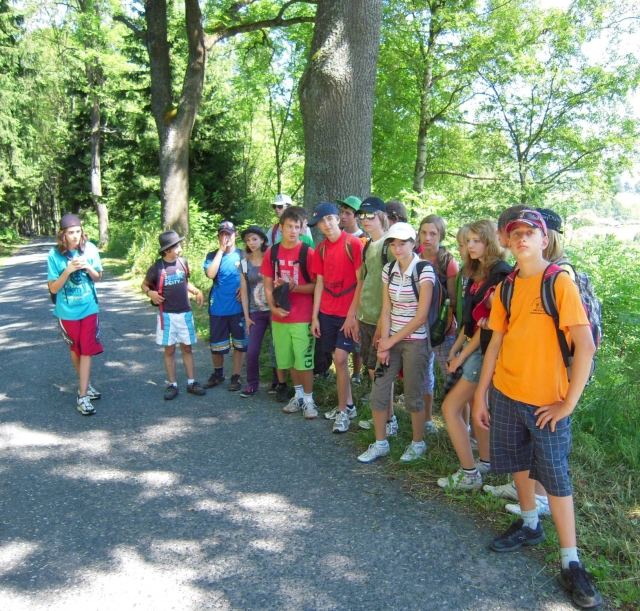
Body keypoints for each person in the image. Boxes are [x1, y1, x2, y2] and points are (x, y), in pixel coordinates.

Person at [473, 209, 602, 609]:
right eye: (515, 234)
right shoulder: (508, 285)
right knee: (517, 461)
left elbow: (585, 346)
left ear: (544, 240)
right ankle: (529, 523)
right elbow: (495, 342)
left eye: (530, 233)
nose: (522, 239)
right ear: (508, 242)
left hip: (547, 402)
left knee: (556, 477)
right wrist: (480, 394)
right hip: (506, 392)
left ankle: (571, 561)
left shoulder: (558, 282)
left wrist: (567, 403)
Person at [436, 220, 510, 490]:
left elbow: (489, 325)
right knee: (478, 407)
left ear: (490, 241)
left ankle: (469, 475)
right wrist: (456, 348)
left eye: (477, 241)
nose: (470, 246)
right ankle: (486, 462)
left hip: (486, 350)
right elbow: (470, 322)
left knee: (450, 408)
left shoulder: (501, 273)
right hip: (473, 346)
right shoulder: (475, 271)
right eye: (468, 241)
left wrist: (460, 355)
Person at [357, 222, 434, 463]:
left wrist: (389, 341)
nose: (397, 248)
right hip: (391, 338)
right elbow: (386, 309)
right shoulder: (388, 269)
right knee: (378, 392)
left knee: (413, 395)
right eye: (393, 244)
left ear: (413, 243)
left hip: (416, 342)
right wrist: (384, 341)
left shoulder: (424, 270)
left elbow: (421, 317)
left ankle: (418, 443)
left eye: (403, 243)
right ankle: (381, 443)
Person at [309, 202, 364, 433]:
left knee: (341, 359)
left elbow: (361, 282)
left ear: (338, 219)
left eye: (330, 218)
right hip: (327, 312)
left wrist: (352, 316)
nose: (327, 224)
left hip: (347, 313)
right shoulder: (320, 249)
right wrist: (314, 317)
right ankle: (349, 405)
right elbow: (319, 284)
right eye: (322, 222)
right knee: (336, 358)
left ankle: (342, 413)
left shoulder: (354, 244)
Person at [260, 206, 318, 419]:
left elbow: (316, 286)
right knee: (290, 360)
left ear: (302, 228)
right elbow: (267, 285)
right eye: (289, 226)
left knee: (304, 361)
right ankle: (298, 396)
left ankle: (310, 400)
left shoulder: (308, 253)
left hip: (302, 316)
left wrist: (295, 287)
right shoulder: (272, 252)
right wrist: (273, 307)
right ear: (281, 227)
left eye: (297, 226)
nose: (293, 231)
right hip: (280, 317)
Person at [47, 214, 104, 416]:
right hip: (67, 311)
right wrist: (68, 270)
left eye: (78, 231)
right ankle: (85, 385)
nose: (75, 236)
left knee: (87, 349)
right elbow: (53, 288)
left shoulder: (90, 249)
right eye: (70, 232)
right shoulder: (54, 255)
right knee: (76, 349)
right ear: (63, 234)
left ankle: (83, 396)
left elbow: (98, 276)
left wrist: (87, 266)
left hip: (89, 307)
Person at [142, 230, 206, 401]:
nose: (180, 248)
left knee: (187, 348)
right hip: (167, 316)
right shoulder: (157, 267)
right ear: (167, 250)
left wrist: (195, 290)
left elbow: (185, 282)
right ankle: (172, 384)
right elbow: (145, 285)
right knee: (169, 350)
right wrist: (150, 293)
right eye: (176, 246)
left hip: (185, 313)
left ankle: (192, 382)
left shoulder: (183, 263)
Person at [352, 197, 397, 435]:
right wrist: (355, 316)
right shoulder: (368, 245)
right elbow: (363, 282)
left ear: (382, 216)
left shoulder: (390, 246)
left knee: (380, 372)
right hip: (366, 316)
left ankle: (389, 421)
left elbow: (394, 287)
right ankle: (381, 416)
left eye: (371, 215)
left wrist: (383, 322)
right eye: (362, 215)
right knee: (372, 370)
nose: (365, 219)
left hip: (383, 319)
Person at [418, 214, 459, 433]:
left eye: (433, 234)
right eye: (424, 233)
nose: (427, 238)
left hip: (442, 330)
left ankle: (462, 424)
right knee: (424, 374)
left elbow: (453, 299)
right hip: (418, 327)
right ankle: (427, 420)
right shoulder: (414, 258)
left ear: (441, 236)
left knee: (452, 374)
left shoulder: (447, 262)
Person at [203, 221, 246, 392]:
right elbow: (210, 274)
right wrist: (220, 251)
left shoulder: (243, 255)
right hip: (218, 308)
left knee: (240, 344)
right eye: (223, 234)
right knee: (217, 345)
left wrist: (244, 287)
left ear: (236, 235)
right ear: (218, 237)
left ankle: (236, 376)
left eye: (229, 233)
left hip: (238, 308)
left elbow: (251, 276)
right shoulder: (212, 255)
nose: (226, 237)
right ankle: (218, 374)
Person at [239, 225, 271, 398]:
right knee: (252, 351)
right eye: (248, 240)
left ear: (262, 240)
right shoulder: (245, 264)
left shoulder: (271, 258)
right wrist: (247, 316)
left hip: (273, 309)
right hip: (255, 312)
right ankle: (252, 384)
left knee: (276, 348)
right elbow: (244, 292)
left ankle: (278, 383)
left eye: (254, 239)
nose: (251, 243)